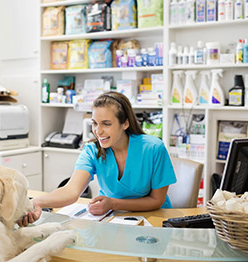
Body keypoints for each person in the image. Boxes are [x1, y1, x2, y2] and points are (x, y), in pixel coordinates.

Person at [21, 91, 176, 226]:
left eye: (106, 124)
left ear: (125, 123)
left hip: (154, 219)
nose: (98, 131)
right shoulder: (92, 150)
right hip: (112, 219)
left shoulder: (153, 148)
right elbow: (71, 191)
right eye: (95, 123)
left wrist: (113, 203)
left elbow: (157, 200)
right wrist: (36, 202)